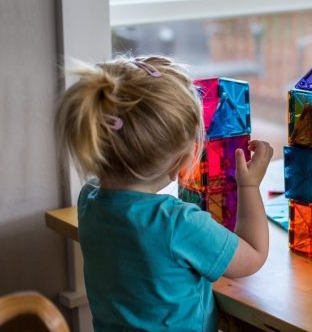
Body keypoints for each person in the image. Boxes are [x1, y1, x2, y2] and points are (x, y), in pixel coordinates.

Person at [55, 55, 272, 331]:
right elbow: (252, 255)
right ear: (179, 164)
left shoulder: (89, 200)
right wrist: (250, 185)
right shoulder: (175, 222)